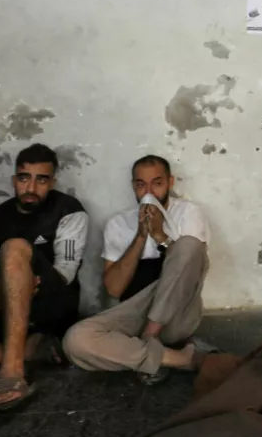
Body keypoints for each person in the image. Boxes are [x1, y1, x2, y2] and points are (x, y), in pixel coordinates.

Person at [62, 155, 213, 384]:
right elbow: (114, 289)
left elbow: (190, 265)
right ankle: (179, 358)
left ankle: (149, 339)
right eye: (141, 185)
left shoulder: (189, 213)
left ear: (170, 183)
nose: (149, 192)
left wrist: (160, 235)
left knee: (189, 244)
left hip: (176, 315)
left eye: (157, 183)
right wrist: (141, 236)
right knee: (75, 340)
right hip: (132, 315)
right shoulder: (117, 224)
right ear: (134, 186)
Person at [0, 143, 88, 412]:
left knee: (14, 248)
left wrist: (21, 287)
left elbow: (65, 273)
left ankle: (11, 374)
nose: (31, 188)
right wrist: (1, 294)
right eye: (24, 178)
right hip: (7, 309)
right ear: (14, 180)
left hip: (52, 305)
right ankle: (30, 349)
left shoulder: (68, 210)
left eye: (41, 180)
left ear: (52, 182)